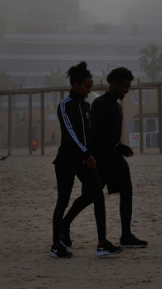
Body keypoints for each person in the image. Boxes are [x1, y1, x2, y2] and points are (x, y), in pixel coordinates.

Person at [50, 61, 121, 259]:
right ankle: (56, 245)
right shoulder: (64, 106)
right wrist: (86, 154)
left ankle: (102, 244)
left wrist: (92, 154)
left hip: (85, 160)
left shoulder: (86, 106)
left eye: (90, 87)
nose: (89, 90)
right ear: (75, 85)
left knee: (98, 196)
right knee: (62, 201)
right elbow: (71, 133)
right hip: (66, 161)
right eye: (86, 87)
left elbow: (88, 135)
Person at [91, 66, 148, 248]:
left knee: (127, 191)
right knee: (89, 197)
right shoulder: (99, 104)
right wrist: (117, 145)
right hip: (100, 159)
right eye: (124, 86)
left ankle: (126, 235)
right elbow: (97, 132)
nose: (127, 90)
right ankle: (64, 225)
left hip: (115, 158)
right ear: (114, 83)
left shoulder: (116, 106)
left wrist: (118, 147)